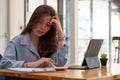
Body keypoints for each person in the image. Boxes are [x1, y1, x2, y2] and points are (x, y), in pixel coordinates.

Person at [0, 5, 68, 69]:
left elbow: (60, 64)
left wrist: (60, 34)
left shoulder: (50, 43)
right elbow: (4, 64)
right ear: (33, 20)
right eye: (40, 22)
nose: (43, 27)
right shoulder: (16, 42)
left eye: (48, 25)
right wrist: (30, 64)